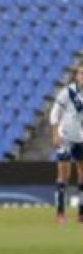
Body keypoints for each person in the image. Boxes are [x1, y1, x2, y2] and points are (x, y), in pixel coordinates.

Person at [50, 63, 83, 223]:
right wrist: (56, 134)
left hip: (81, 139)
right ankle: (60, 213)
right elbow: (55, 113)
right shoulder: (68, 93)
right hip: (66, 137)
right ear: (76, 76)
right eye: (81, 73)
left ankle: (81, 214)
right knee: (64, 175)